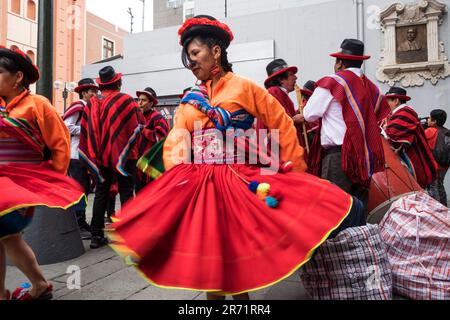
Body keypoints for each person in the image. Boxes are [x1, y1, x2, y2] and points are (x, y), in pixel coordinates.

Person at [106, 16, 365, 300]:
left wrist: (289, 170)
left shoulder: (245, 88)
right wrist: (176, 182)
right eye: (189, 57)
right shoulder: (189, 99)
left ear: (216, 51)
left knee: (237, 255)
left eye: (195, 54)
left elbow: (281, 124)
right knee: (211, 258)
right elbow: (176, 141)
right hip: (200, 184)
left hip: (239, 180)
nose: (191, 62)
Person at [0, 46, 85, 300]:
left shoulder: (38, 105)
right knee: (9, 238)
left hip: (23, 185)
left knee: (9, 236)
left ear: (17, 77)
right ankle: (36, 285)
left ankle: (31, 286)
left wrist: (49, 184)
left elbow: (60, 145)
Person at [303, 38, 386, 212]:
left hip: (338, 156)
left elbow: (309, 114)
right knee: (359, 208)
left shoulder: (334, 82)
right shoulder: (372, 88)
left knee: (334, 208)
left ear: (339, 63)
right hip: (363, 157)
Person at [79, 66, 144, 249]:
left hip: (100, 157)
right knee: (126, 191)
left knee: (101, 192)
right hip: (125, 156)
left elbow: (87, 131)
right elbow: (139, 124)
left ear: (101, 84)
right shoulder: (126, 100)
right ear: (117, 82)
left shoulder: (92, 103)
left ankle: (96, 235)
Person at [63, 78, 99, 239]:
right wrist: (86, 129)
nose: (95, 94)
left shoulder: (89, 108)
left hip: (83, 155)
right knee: (80, 189)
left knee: (83, 188)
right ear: (84, 93)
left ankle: (80, 221)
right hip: (76, 154)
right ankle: (79, 222)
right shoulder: (78, 107)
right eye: (92, 91)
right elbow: (66, 126)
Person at [383, 87, 438, 189]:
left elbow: (392, 134)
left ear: (396, 101)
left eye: (389, 101)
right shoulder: (401, 113)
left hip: (417, 162)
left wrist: (381, 130)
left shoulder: (405, 113)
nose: (387, 105)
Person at [135, 87, 169, 193]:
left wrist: (143, 130)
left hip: (152, 165)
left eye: (143, 100)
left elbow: (161, 139)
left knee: (151, 195)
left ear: (151, 103)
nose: (139, 103)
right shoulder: (136, 117)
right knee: (139, 195)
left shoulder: (158, 118)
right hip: (138, 164)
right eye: (139, 100)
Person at [425, 109, 449, 206]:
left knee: (433, 187)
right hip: (445, 165)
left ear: (434, 121)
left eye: (430, 118)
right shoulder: (447, 131)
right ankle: (444, 207)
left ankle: (437, 210)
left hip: (434, 165)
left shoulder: (430, 131)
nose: (427, 120)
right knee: (440, 185)